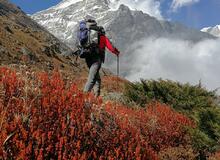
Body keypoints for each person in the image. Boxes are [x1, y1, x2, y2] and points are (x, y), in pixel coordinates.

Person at [80, 20, 120, 97]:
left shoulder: (87, 35)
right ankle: (83, 97)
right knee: (91, 79)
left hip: (88, 58)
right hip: (96, 59)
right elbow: (111, 48)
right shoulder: (102, 37)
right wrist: (117, 53)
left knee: (96, 78)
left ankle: (96, 97)